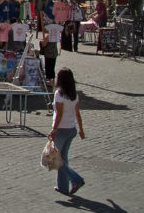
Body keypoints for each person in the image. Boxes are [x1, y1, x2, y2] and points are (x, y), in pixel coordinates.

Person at [50, 68, 86, 196]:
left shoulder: (59, 94)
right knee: (63, 158)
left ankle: (76, 179)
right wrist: (81, 129)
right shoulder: (74, 95)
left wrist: (54, 130)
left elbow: (59, 114)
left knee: (56, 159)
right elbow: (78, 114)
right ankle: (62, 187)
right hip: (71, 129)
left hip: (61, 129)